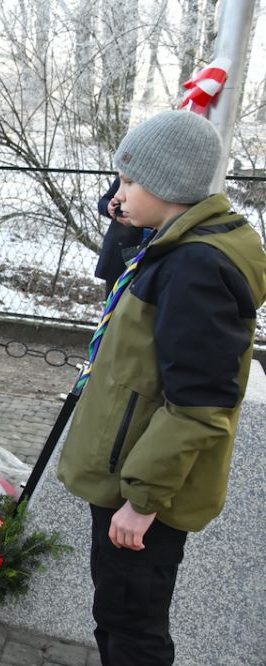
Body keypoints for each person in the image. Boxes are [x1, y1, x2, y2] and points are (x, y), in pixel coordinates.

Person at [57, 110, 266, 666]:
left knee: (132, 629)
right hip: (131, 471)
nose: (115, 196)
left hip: (143, 492)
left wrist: (141, 501)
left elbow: (200, 404)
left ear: (169, 185)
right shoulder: (176, 243)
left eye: (128, 181)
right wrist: (131, 216)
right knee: (117, 615)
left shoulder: (196, 267)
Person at [93, 176, 147, 297]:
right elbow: (103, 202)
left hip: (150, 246)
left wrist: (137, 218)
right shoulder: (127, 174)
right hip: (121, 249)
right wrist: (109, 207)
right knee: (113, 298)